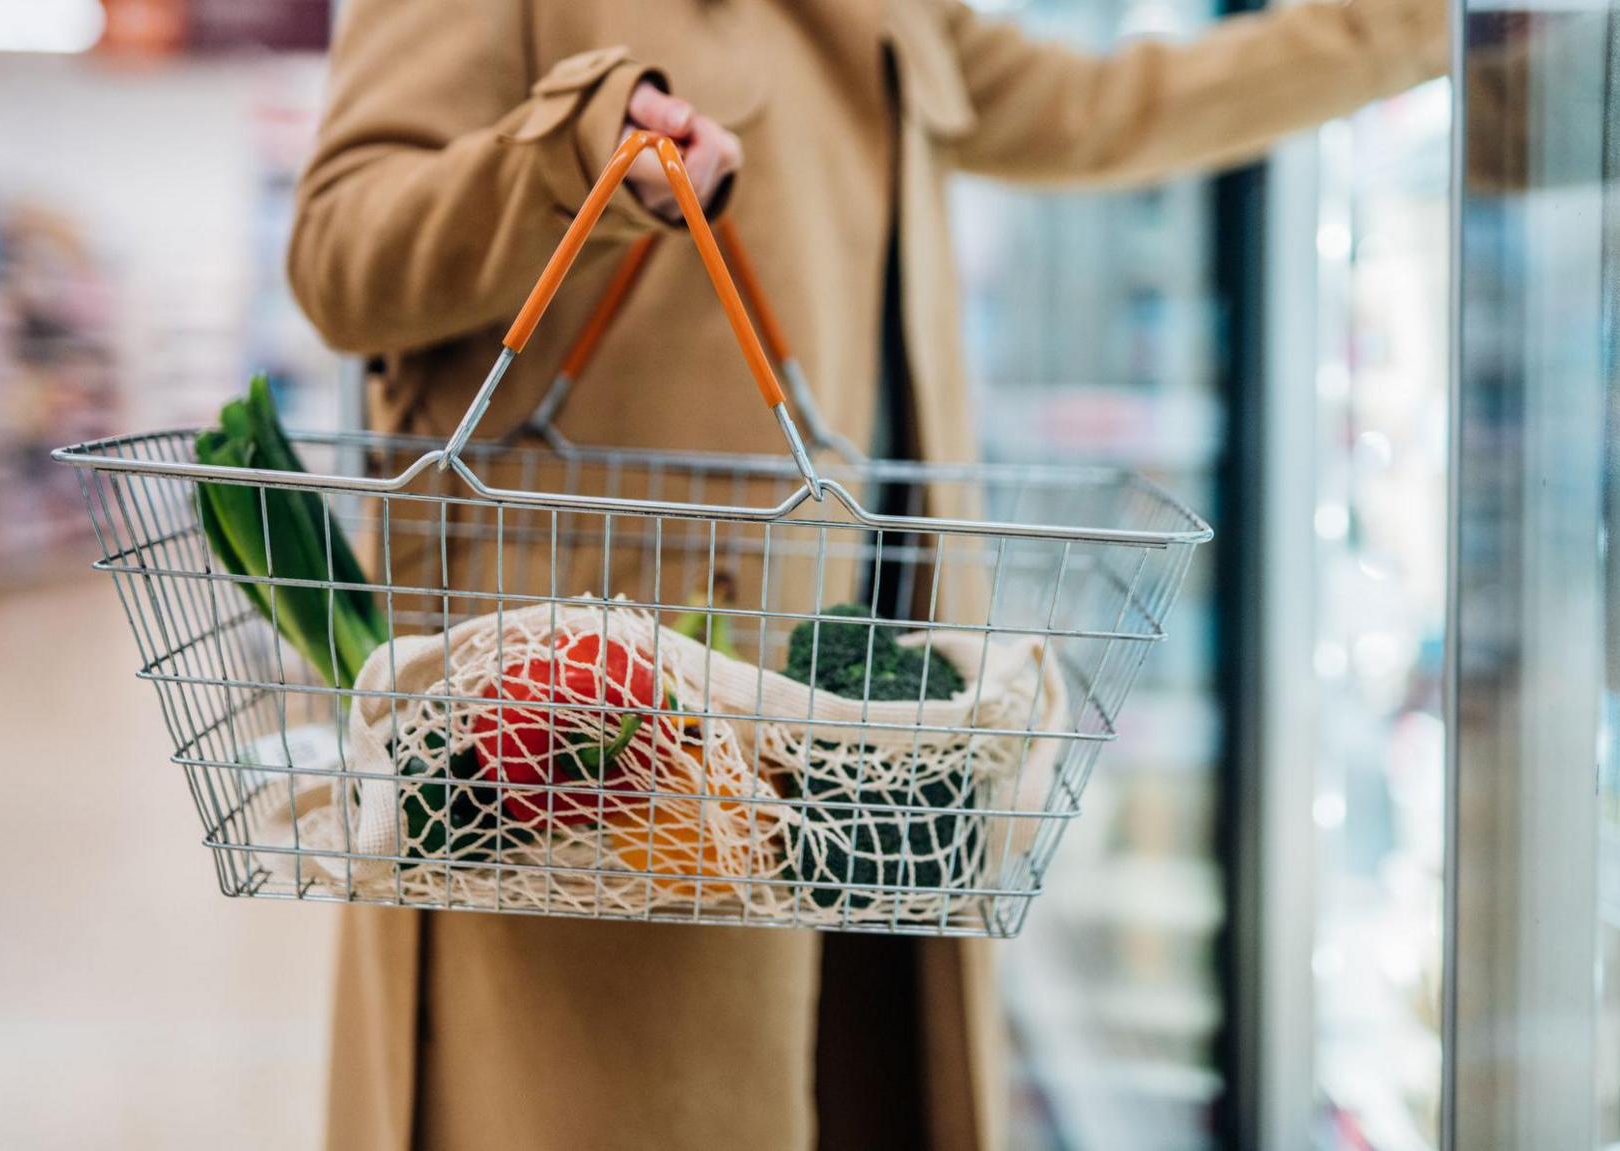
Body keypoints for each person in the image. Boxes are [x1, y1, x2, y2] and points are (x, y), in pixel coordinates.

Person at [287, 2, 1445, 1148]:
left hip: (871, 738)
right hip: (592, 763)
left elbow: (1095, 109)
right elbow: (341, 259)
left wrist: (1414, 29)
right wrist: (574, 154)